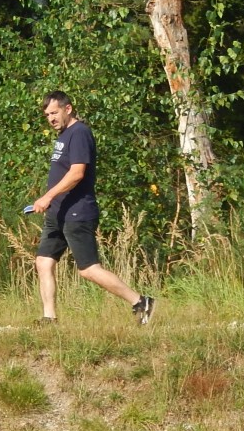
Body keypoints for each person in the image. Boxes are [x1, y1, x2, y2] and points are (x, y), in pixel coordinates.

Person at [30, 91, 155, 325]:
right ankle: (49, 318)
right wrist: (51, 202)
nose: (51, 118)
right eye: (47, 115)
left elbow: (77, 173)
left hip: (77, 212)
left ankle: (140, 301)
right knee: (44, 262)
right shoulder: (64, 135)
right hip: (57, 213)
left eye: (54, 113)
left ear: (68, 108)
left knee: (88, 269)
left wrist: (47, 196)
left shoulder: (79, 133)